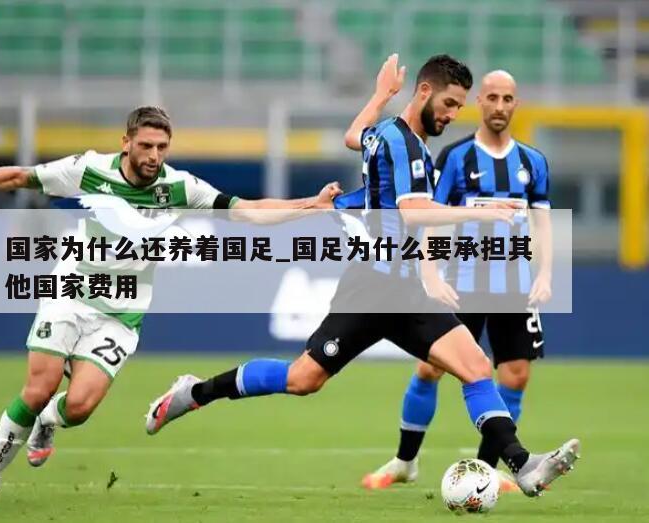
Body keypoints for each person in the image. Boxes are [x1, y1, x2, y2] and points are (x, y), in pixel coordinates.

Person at [144, 55, 579, 498]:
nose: (452, 115)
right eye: (449, 103)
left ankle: (523, 465)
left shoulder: (387, 133)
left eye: (459, 107)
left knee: (475, 367)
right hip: (372, 287)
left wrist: (380, 96)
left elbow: (354, 136)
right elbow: (413, 213)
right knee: (302, 379)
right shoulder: (406, 145)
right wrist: (483, 212)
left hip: (407, 289)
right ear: (424, 92)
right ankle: (195, 392)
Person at [0, 106, 343, 502]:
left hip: (121, 311)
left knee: (78, 407)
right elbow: (20, 176)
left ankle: (49, 422)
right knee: (38, 388)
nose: (154, 155)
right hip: (71, 291)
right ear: (126, 142)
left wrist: (311, 204)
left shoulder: (179, 187)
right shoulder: (90, 169)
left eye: (162, 147)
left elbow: (246, 210)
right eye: (146, 145)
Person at [361, 70, 553, 493]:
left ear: (516, 103)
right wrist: (430, 272)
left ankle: (486, 470)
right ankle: (405, 460)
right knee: (431, 366)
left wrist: (544, 274)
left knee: (516, 374)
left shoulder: (533, 162)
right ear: (479, 102)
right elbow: (427, 215)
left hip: (514, 285)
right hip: (461, 280)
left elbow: (542, 223)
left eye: (507, 98)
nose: (499, 106)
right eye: (492, 98)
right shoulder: (454, 157)